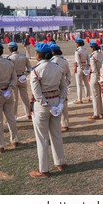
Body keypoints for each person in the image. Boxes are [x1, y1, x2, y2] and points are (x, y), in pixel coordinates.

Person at [30, 43, 68, 178]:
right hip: (56, 102)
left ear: (39, 55)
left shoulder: (36, 71)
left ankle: (44, 169)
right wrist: (60, 103)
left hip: (43, 106)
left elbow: (37, 94)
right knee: (56, 134)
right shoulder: (58, 68)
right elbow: (64, 87)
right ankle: (60, 162)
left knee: (42, 138)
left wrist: (47, 105)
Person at [7, 42, 32, 121]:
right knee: (25, 97)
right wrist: (24, 75)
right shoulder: (24, 57)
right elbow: (30, 69)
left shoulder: (9, 58)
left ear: (10, 49)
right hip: (22, 78)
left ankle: (14, 116)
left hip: (13, 79)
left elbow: (8, 71)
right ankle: (28, 113)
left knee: (15, 98)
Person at [49, 44, 71, 132]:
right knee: (64, 104)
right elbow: (68, 73)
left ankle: (58, 125)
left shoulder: (53, 61)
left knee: (55, 104)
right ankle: (65, 124)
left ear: (53, 52)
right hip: (63, 84)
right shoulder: (64, 60)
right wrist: (67, 82)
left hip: (56, 84)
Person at [88, 41, 103, 119]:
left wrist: (96, 77)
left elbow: (94, 69)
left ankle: (96, 113)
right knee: (101, 96)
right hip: (102, 76)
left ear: (92, 48)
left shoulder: (92, 56)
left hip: (95, 76)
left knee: (95, 96)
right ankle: (102, 112)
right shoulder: (101, 54)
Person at [73, 38, 91, 104]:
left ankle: (79, 99)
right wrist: (87, 67)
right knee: (86, 84)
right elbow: (88, 59)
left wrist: (81, 67)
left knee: (79, 84)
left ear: (78, 44)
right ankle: (88, 97)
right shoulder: (85, 50)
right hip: (85, 66)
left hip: (79, 68)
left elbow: (78, 61)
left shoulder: (77, 51)